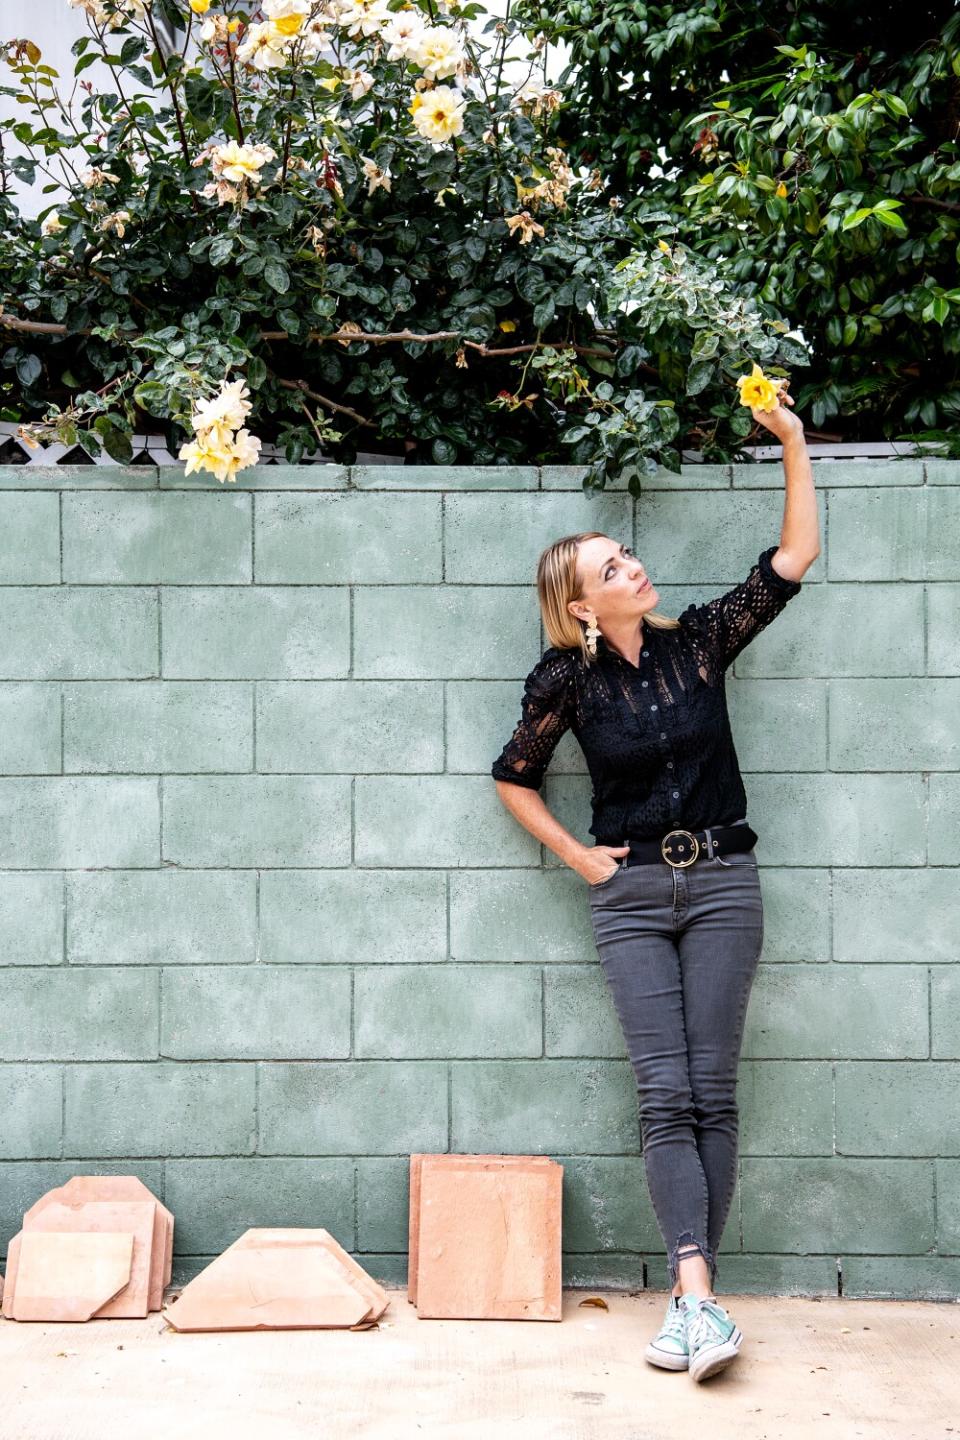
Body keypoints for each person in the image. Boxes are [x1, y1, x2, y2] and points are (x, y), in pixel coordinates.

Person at [491, 390, 820, 1383]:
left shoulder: (702, 642)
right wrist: (580, 857)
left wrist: (794, 441)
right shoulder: (567, 681)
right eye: (610, 568)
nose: (632, 566)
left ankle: (692, 1305)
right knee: (666, 1094)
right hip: (631, 900)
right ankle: (698, 1298)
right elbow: (514, 779)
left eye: (625, 555)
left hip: (724, 883)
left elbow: (791, 561)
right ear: (583, 605)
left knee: (713, 1093)